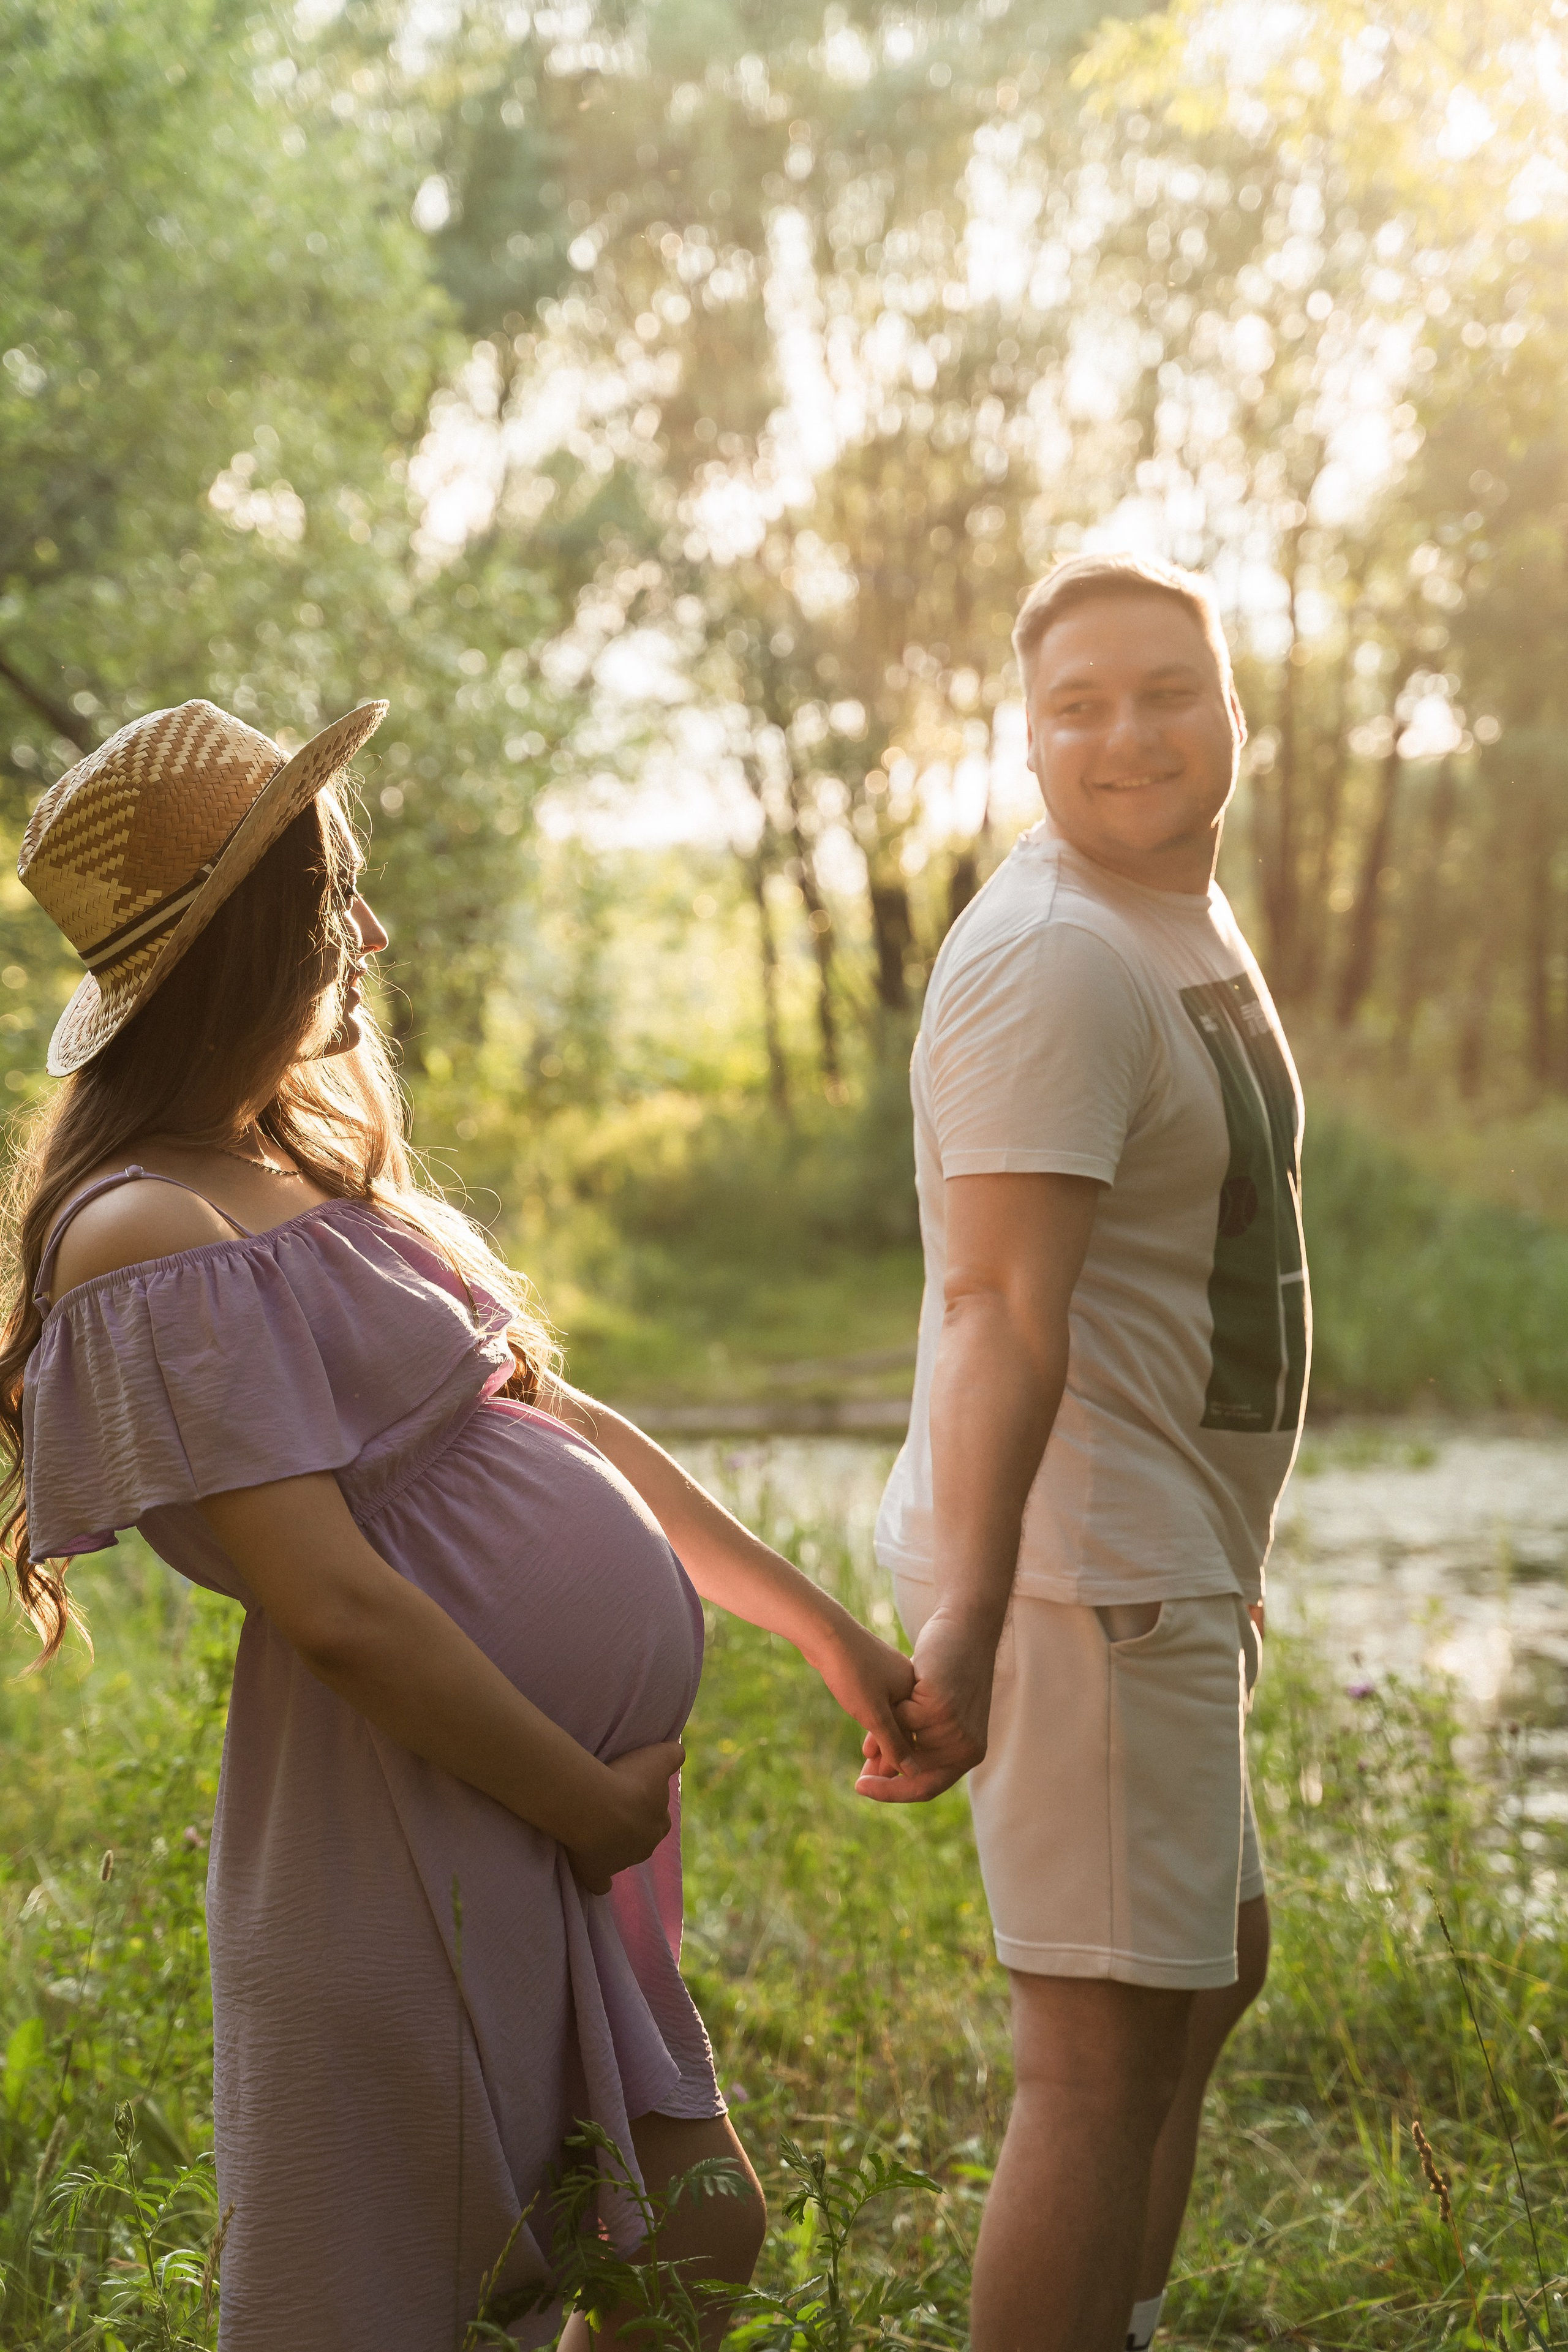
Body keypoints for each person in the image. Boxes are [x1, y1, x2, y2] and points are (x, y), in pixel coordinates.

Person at [1, 696, 917, 2352]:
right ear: (243, 942)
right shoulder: (149, 1225)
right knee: (390, 2300)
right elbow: (334, 1602)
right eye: (334, 891)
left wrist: (822, 1629)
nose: (369, 931)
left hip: (524, 1824)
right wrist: (584, 1804)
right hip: (411, 1822)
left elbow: (567, 1425)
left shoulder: (297, 1174)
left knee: (688, 2228)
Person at [861, 554, 1308, 2352]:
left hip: (1158, 1552)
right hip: (1073, 1568)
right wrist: (969, 1621)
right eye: (1079, 705)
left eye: (1166, 691)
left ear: (1233, 713)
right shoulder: (1053, 958)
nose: (1127, 734)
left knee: (1204, 1985)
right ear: (1027, 738)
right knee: (1093, 2060)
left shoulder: (1168, 916)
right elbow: (997, 1312)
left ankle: (1109, 2320)